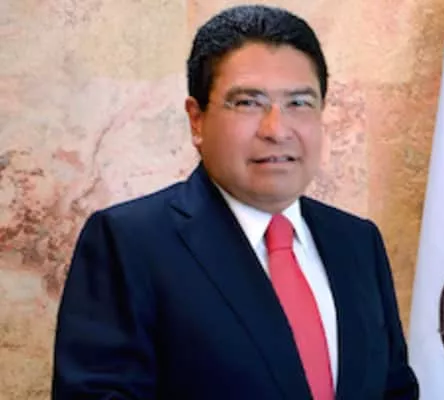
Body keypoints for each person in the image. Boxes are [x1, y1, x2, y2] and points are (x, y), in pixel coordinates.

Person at [52, 5, 419, 399]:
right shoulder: (129, 243)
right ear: (197, 119)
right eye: (248, 103)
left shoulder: (358, 241)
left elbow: (394, 389)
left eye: (299, 103)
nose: (277, 130)